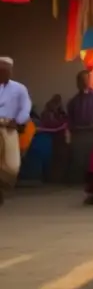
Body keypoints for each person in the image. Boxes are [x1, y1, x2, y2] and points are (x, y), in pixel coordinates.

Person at [0, 56, 30, 206]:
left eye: (7, 70)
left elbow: (25, 108)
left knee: (12, 166)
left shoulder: (19, 88)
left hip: (9, 129)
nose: (5, 72)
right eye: (2, 69)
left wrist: (18, 121)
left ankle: (2, 187)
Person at [66, 69, 93, 185]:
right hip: (79, 134)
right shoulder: (73, 101)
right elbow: (70, 119)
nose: (84, 82)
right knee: (79, 159)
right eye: (81, 80)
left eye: (86, 79)